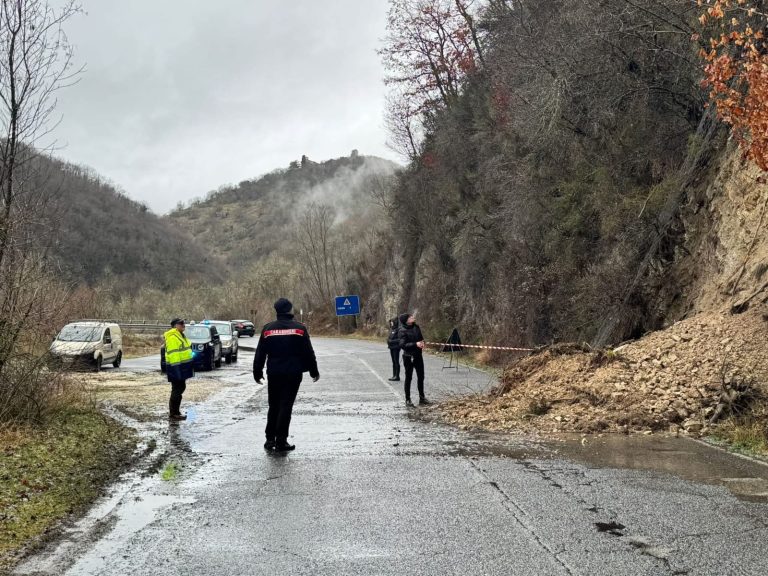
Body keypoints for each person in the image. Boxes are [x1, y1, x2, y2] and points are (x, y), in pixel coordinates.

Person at [253, 298, 319, 452]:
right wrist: (313, 371)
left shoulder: (268, 329)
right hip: (293, 373)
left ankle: (270, 440)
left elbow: (260, 353)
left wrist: (257, 372)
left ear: (277, 311)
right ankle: (281, 441)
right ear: (289, 310)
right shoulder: (299, 329)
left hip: (274, 373)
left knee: (274, 405)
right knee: (285, 406)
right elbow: (308, 352)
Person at [164, 318, 194, 421]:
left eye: (183, 323)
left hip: (181, 367)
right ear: (175, 326)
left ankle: (176, 412)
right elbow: (174, 355)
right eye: (181, 323)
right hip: (176, 367)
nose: (183, 325)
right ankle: (173, 414)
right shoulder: (172, 337)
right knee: (177, 389)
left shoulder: (180, 335)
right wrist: (177, 371)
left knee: (180, 388)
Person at [398, 312, 430, 407]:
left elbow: (421, 339)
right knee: (409, 378)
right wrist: (415, 344)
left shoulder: (416, 327)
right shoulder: (402, 330)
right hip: (408, 357)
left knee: (421, 377)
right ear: (406, 320)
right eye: (410, 317)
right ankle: (408, 399)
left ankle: (422, 398)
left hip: (418, 356)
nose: (413, 317)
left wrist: (422, 343)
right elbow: (402, 345)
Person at [387, 317, 401, 381]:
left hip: (396, 348)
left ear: (395, 322)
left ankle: (397, 376)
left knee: (396, 361)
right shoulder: (392, 329)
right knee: (393, 362)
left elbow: (400, 339)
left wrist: (391, 341)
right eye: (391, 322)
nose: (391, 323)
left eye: (392, 322)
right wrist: (388, 341)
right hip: (391, 347)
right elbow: (389, 338)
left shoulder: (398, 330)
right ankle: (394, 375)